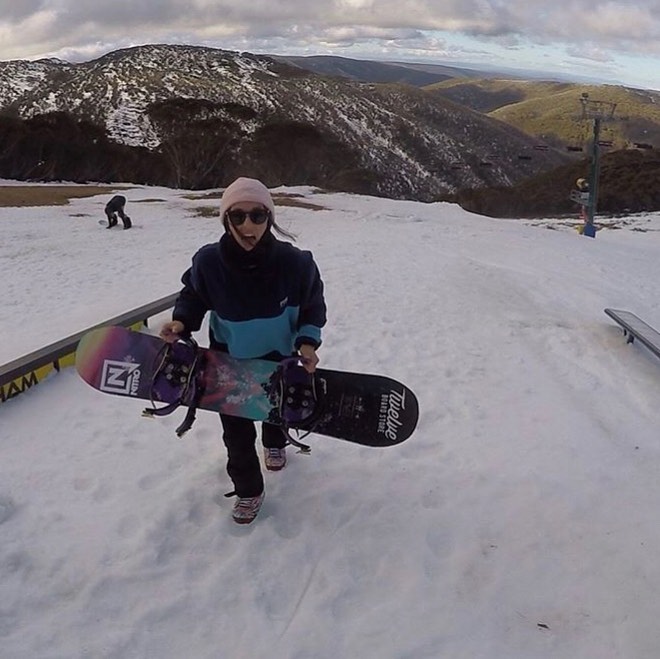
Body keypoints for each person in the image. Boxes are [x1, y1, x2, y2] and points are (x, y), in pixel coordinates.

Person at [160, 177, 327, 524]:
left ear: (269, 218)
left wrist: (308, 343)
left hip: (278, 360)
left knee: (276, 412)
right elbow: (193, 295)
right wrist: (181, 323)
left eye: (257, 215)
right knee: (235, 433)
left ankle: (275, 440)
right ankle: (249, 489)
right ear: (225, 219)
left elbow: (313, 304)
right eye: (237, 216)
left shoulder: (295, 263)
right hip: (229, 361)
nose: (248, 225)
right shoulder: (208, 263)